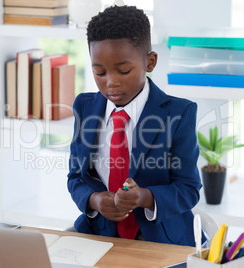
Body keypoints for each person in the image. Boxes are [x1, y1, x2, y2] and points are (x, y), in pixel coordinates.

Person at [67, 5, 204, 246]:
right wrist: (95, 201)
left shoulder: (179, 113)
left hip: (162, 241)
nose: (111, 82)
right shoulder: (84, 107)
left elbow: (189, 188)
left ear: (150, 62)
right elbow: (75, 177)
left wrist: (144, 197)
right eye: (99, 72)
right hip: (99, 235)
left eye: (124, 70)